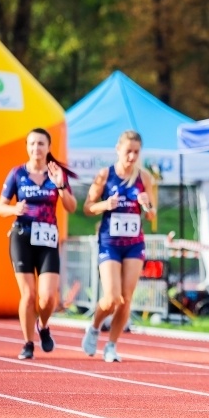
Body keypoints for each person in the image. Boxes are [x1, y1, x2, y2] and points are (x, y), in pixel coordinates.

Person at [0, 128, 78, 360]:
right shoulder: (17, 174)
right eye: (32, 144)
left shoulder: (56, 174)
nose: (36, 148)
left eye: (41, 143)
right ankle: (27, 343)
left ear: (48, 147)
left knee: (48, 297)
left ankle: (43, 325)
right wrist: (14, 209)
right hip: (22, 237)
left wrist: (61, 186)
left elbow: (71, 207)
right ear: (27, 147)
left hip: (47, 239)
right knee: (29, 295)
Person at [81, 130, 156, 363]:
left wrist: (147, 205)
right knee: (112, 298)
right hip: (109, 243)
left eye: (136, 152)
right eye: (128, 152)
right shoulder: (105, 176)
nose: (132, 157)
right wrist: (105, 204)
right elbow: (87, 207)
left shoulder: (145, 179)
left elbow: (152, 216)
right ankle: (94, 326)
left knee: (126, 298)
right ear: (118, 150)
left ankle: (111, 345)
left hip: (134, 244)